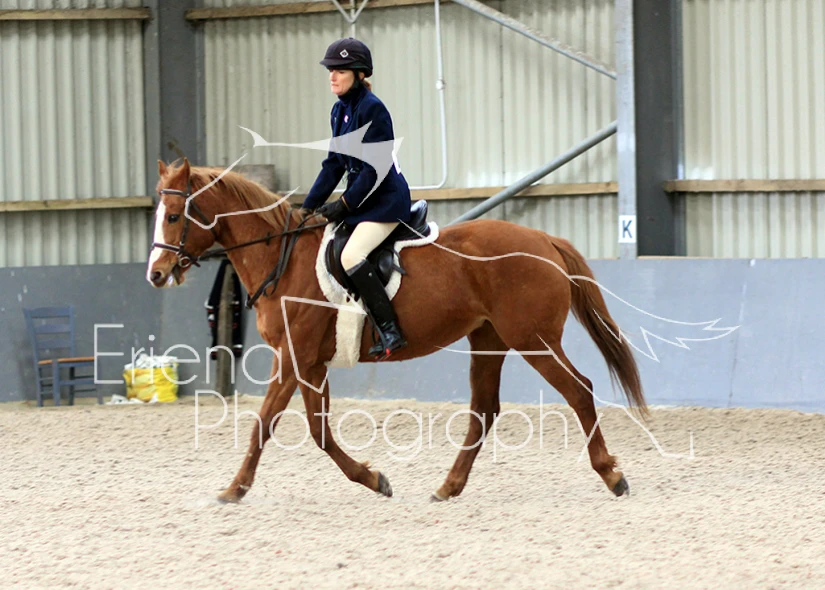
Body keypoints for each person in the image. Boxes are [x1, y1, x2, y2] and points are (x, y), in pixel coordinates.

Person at [302, 37, 412, 360]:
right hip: (363, 201)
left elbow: (374, 169)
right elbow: (334, 165)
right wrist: (307, 206)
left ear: (359, 73)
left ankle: (390, 329)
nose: (332, 76)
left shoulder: (372, 109)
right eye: (330, 70)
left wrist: (344, 204)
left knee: (351, 256)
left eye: (340, 70)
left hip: (385, 202)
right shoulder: (339, 111)